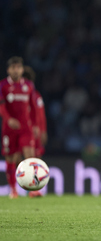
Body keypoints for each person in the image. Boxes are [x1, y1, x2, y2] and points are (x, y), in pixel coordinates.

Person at [0, 57, 37, 199]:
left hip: (26, 127)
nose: (16, 70)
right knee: (11, 158)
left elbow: (33, 107)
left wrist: (34, 124)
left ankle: (32, 189)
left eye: (18, 67)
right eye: (13, 67)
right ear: (8, 70)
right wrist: (9, 120)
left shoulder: (28, 85)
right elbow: (1, 106)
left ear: (22, 69)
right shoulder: (2, 85)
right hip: (9, 129)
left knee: (30, 157)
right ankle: (13, 190)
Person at [22, 66, 48, 198]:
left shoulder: (36, 96)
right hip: (23, 130)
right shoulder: (20, 96)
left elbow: (41, 115)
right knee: (20, 159)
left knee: (35, 159)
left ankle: (33, 188)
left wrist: (42, 130)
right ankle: (21, 187)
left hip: (35, 131)